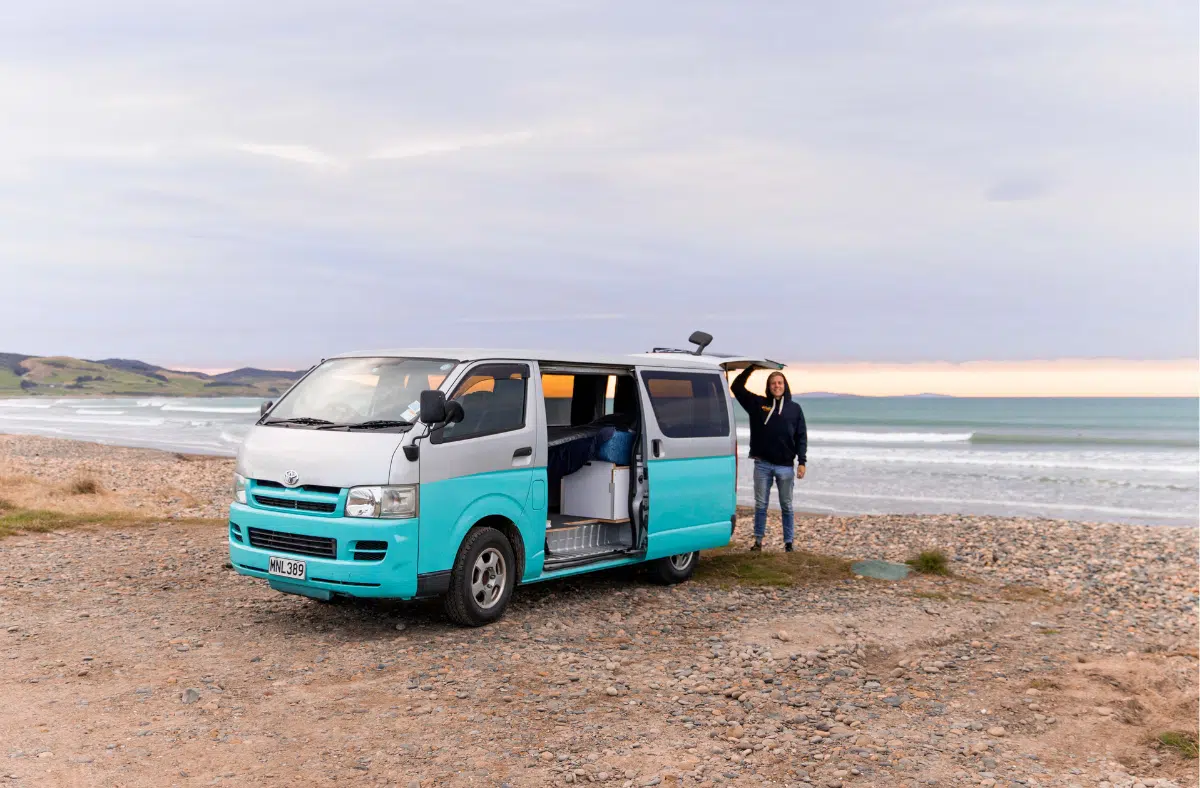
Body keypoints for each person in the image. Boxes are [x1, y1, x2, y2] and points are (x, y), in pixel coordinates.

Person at [730, 366, 807, 552]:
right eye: (773, 383)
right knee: (761, 505)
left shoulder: (795, 409)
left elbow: (801, 437)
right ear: (769, 386)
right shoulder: (757, 404)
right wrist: (752, 368)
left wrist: (802, 462)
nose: (776, 386)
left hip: (786, 467)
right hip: (762, 464)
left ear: (785, 385)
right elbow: (736, 387)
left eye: (780, 383)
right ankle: (758, 542)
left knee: (787, 505)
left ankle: (789, 543)